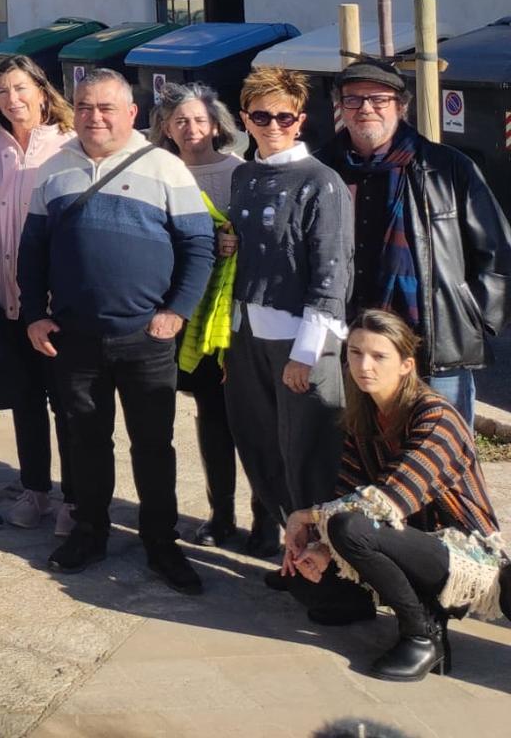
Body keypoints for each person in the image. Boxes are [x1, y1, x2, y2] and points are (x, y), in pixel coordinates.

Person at [20, 69, 215, 593]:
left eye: (106, 108)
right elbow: (33, 249)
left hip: (146, 338)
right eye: (84, 106)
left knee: (153, 445)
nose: (94, 116)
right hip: (75, 336)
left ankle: (161, 542)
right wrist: (34, 314)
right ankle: (90, 530)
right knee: (86, 441)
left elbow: (200, 246)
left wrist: (177, 310)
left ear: (132, 114)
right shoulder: (54, 170)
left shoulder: (167, 168)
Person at [283, 309, 511, 680]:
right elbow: (349, 490)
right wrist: (320, 549)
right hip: (401, 540)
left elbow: (388, 500)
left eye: (379, 356)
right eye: (355, 353)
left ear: (407, 364)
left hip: (462, 555)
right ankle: (367, 600)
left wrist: (304, 517)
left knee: (349, 528)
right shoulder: (366, 415)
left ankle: (423, 636)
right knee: (306, 579)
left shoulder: (437, 418)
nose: (364, 366)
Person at [315, 59, 511, 424]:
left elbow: (497, 254)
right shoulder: (322, 170)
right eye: (354, 100)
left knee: (441, 459)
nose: (366, 109)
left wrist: (472, 319)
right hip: (352, 348)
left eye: (379, 99)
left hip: (432, 346)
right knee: (364, 460)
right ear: (340, 107)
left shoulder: (448, 168)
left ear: (400, 106)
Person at [224, 67, 352, 573]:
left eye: (284, 116)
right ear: (244, 120)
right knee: (261, 452)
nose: (272, 124)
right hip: (244, 335)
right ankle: (295, 558)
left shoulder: (322, 182)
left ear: (300, 120)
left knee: (310, 459)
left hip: (299, 341)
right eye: (261, 115)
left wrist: (306, 353)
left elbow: (332, 270)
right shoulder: (243, 174)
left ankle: (332, 572)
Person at [149, 81, 273, 554]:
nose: (191, 128)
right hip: (187, 311)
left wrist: (235, 240)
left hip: (234, 315)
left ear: (216, 123)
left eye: (200, 119)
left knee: (253, 421)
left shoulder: (240, 171)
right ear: (166, 127)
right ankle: (221, 515)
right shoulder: (160, 170)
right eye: (180, 120)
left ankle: (266, 520)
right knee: (212, 418)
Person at [0, 55, 75, 533]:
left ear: (41, 90)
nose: (12, 100)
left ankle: (75, 499)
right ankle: (35, 490)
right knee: (26, 400)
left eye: (20, 89)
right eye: (2, 92)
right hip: (3, 299)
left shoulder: (69, 146)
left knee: (68, 402)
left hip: (55, 303)